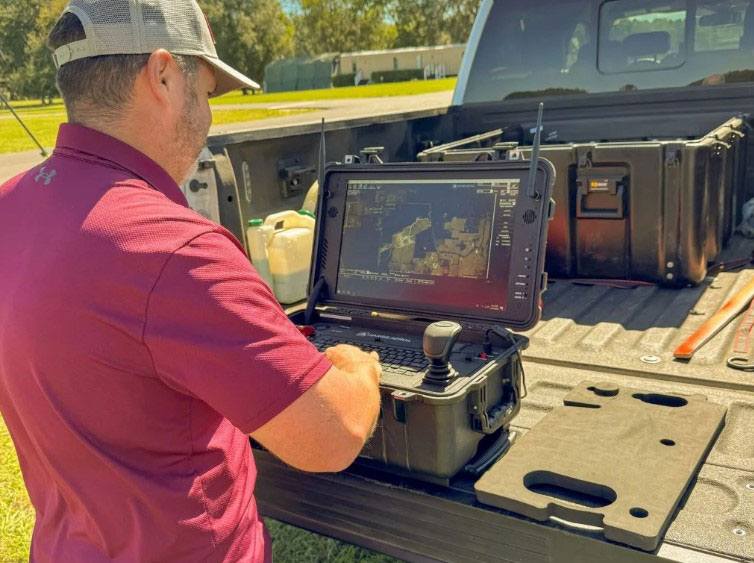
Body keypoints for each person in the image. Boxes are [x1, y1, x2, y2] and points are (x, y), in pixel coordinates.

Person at [0, 1, 382, 561]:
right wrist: (358, 366)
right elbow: (334, 435)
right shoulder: (175, 251)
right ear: (161, 75)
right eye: (203, 93)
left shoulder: (9, 208)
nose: (206, 118)